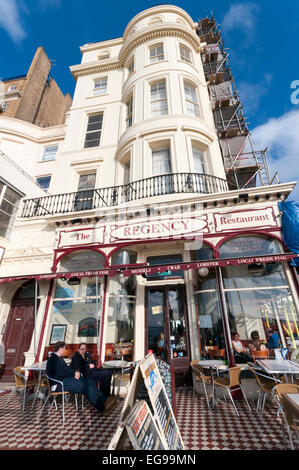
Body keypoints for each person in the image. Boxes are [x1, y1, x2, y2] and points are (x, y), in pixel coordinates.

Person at [46, 341, 107, 413]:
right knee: (85, 387)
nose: (64, 351)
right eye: (64, 349)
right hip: (58, 384)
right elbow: (62, 372)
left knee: (90, 382)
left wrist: (76, 373)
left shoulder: (59, 358)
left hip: (65, 380)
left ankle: (104, 400)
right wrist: (74, 374)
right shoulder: (53, 359)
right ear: (60, 349)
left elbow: (67, 369)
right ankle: (101, 407)